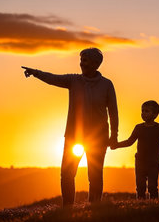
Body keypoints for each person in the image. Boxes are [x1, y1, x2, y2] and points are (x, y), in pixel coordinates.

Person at [21, 48, 118, 206]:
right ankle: (67, 208)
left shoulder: (107, 85)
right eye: (81, 59)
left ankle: (94, 207)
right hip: (74, 136)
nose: (81, 63)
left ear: (95, 64)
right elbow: (53, 78)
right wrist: (35, 72)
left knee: (95, 174)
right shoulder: (73, 80)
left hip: (98, 137)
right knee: (67, 174)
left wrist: (114, 135)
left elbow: (113, 111)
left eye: (85, 60)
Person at [111, 100, 159, 199]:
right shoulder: (138, 128)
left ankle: (154, 203)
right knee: (140, 186)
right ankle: (141, 204)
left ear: (155, 114)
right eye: (142, 111)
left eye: (146, 111)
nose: (143, 113)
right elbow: (129, 141)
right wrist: (116, 145)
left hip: (154, 162)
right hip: (140, 161)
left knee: (153, 186)